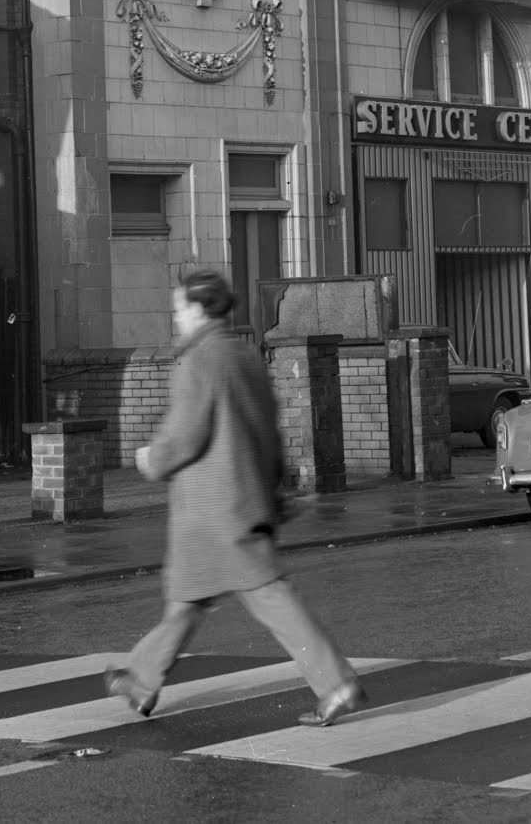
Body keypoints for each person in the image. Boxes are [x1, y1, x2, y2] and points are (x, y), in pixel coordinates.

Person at [104, 269, 364, 730]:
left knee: (268, 598)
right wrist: (274, 489)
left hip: (211, 512)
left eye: (180, 307)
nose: (177, 316)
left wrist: (151, 458)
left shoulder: (201, 360)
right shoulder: (245, 356)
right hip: (242, 502)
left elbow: (184, 435)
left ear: (200, 309)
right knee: (188, 600)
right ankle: (141, 680)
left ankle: (335, 682)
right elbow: (269, 427)